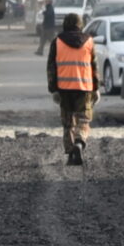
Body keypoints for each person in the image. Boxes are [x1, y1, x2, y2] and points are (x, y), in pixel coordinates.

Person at [48, 9, 97, 166]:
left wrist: (53, 88)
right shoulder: (89, 41)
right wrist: (96, 88)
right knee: (83, 120)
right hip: (84, 88)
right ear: (80, 25)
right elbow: (94, 67)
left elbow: (51, 68)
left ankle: (70, 154)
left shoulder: (57, 42)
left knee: (68, 122)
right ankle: (79, 142)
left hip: (64, 88)